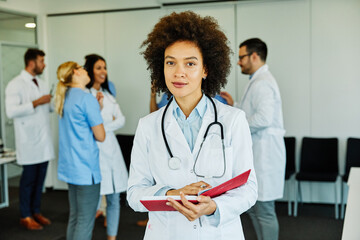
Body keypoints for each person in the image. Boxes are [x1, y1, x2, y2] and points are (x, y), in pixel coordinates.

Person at [127, 11, 257, 240]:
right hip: (166, 233)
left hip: (218, 233)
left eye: (190, 63)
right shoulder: (148, 126)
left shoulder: (233, 120)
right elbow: (134, 193)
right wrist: (171, 194)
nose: (179, 72)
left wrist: (213, 207)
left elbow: (249, 189)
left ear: (206, 69)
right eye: (170, 62)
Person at [221, 38, 286, 240]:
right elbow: (255, 113)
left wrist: (236, 124)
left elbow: (264, 118)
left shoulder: (263, 82)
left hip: (265, 156)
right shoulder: (258, 81)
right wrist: (236, 105)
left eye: (241, 57)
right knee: (255, 208)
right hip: (259, 153)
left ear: (254, 56)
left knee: (264, 211)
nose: (239, 62)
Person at [55, 61, 105, 240]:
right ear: (75, 73)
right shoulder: (86, 98)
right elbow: (101, 136)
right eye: (82, 68)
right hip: (86, 170)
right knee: (85, 220)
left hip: (71, 169)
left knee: (75, 217)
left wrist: (96, 108)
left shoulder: (65, 96)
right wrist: (96, 109)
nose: (86, 70)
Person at [5, 48, 55, 230]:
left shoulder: (41, 83)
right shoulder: (15, 84)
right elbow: (11, 111)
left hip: (43, 141)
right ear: (31, 62)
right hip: (28, 142)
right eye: (42, 61)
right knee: (28, 182)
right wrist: (36, 102)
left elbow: (47, 108)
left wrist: (51, 102)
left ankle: (36, 211)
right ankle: (25, 215)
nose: (44, 64)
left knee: (40, 180)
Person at [84, 54, 128, 240]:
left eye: (104, 67)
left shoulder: (109, 94)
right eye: (98, 68)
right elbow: (87, 125)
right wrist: (102, 121)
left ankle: (112, 237)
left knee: (114, 198)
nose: (103, 71)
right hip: (94, 151)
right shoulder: (85, 96)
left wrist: (102, 127)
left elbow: (122, 120)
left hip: (111, 148)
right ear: (89, 71)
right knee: (92, 201)